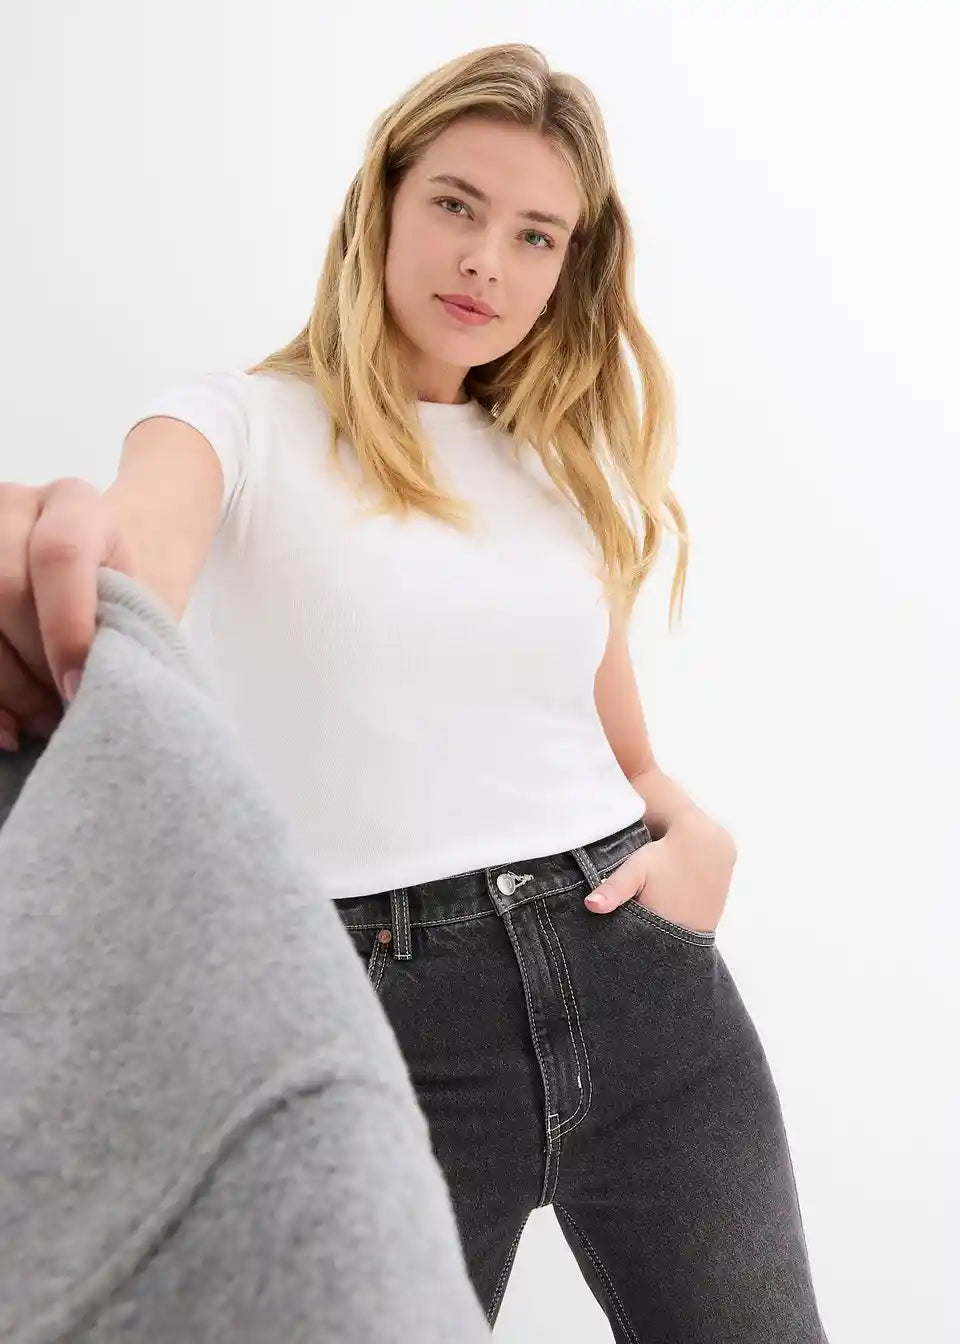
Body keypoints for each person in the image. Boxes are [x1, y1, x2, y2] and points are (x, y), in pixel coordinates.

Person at [0, 42, 829, 1343]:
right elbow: (119, 559)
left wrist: (697, 838)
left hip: (650, 1005)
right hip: (385, 1024)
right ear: (382, 200)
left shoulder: (562, 468)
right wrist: (48, 553)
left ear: (569, 266)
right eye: (456, 205)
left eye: (535, 235)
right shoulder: (231, 423)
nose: (487, 261)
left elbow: (623, 754)